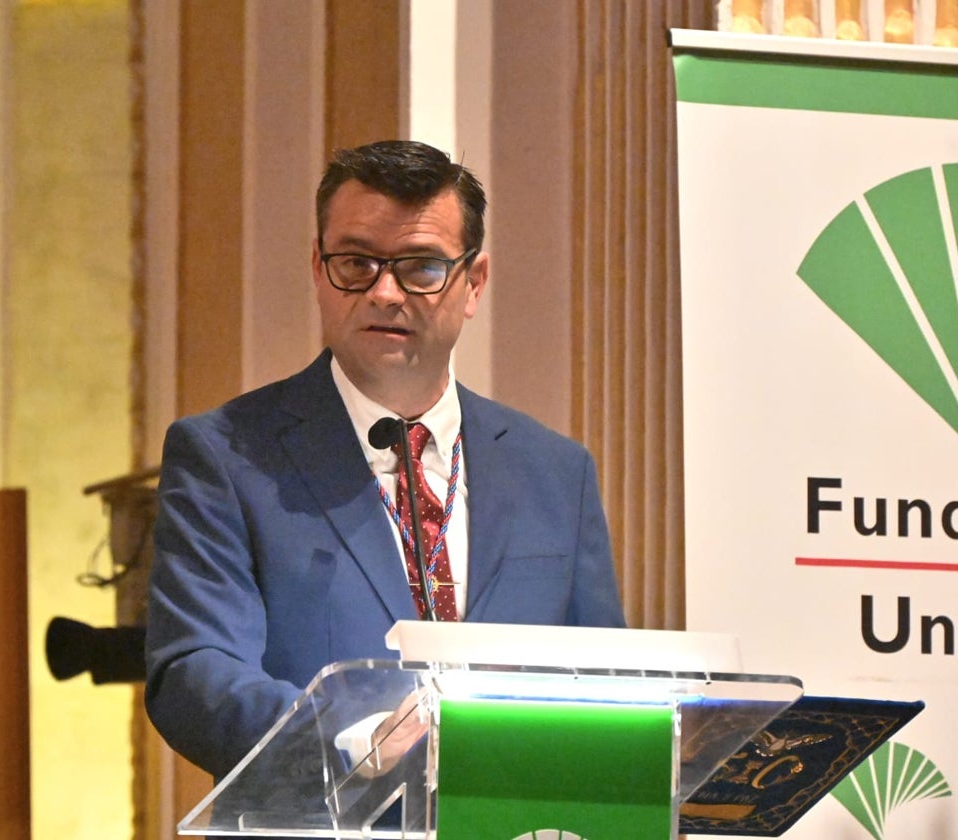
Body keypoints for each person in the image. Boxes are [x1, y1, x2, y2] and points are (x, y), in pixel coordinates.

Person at [145, 140, 625, 782]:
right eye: (356, 263)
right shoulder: (228, 455)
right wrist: (350, 740)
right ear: (318, 269)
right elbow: (194, 671)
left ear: (474, 282)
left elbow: (606, 683)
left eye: (422, 267)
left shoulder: (556, 473)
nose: (385, 292)